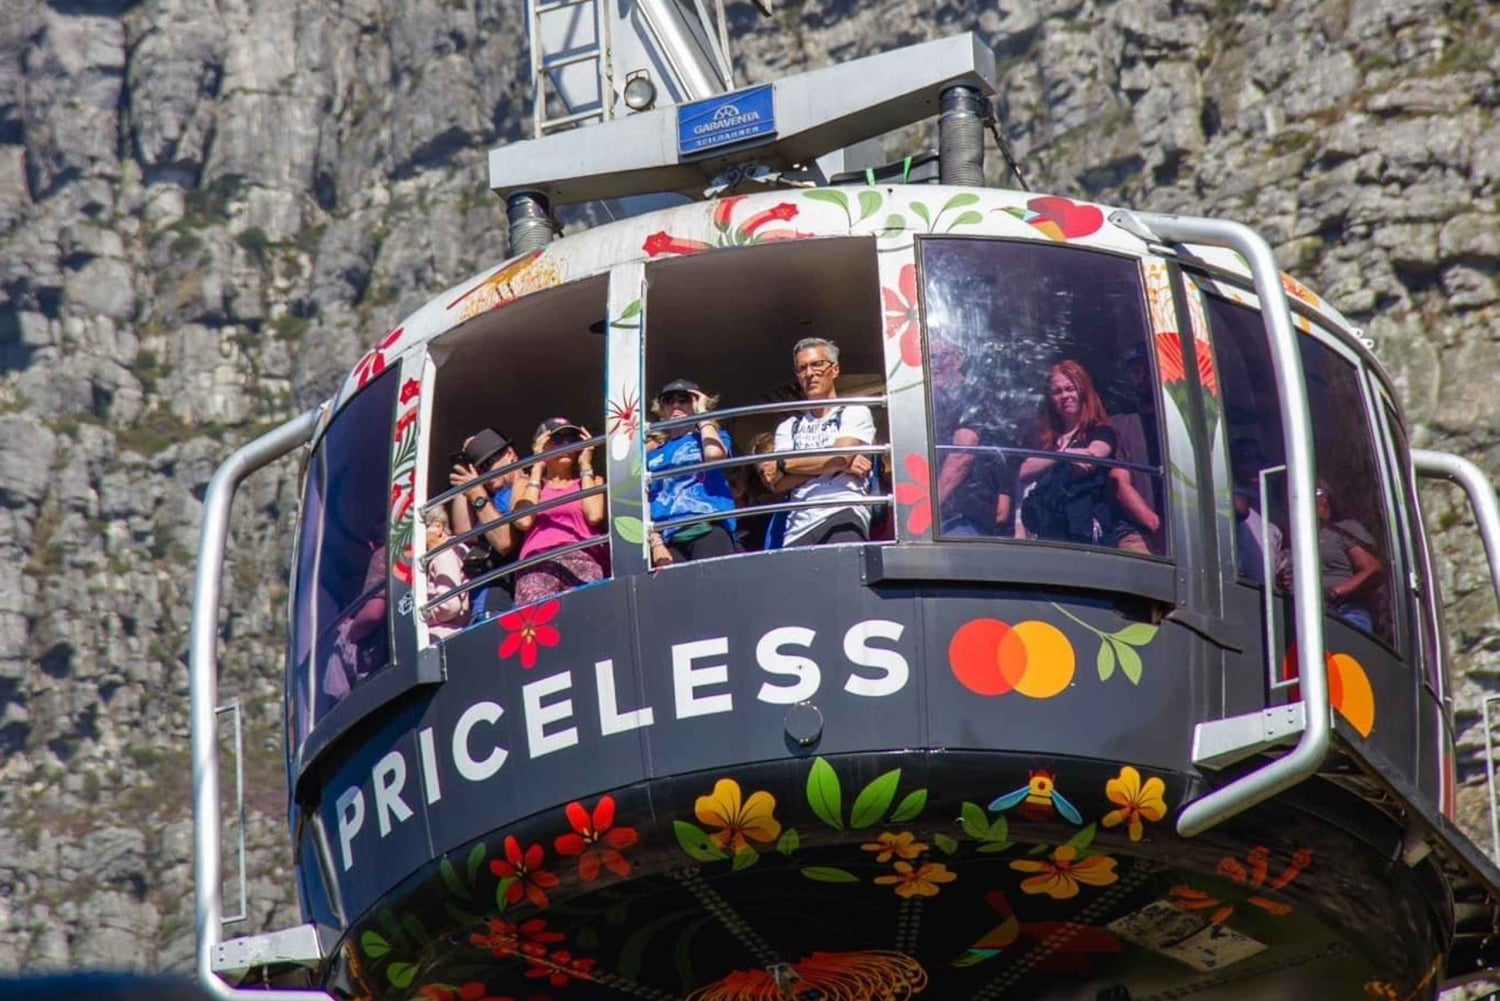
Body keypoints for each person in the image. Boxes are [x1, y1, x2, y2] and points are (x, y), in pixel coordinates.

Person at [764, 338, 878, 546]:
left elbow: (839, 458)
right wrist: (839, 463)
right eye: (802, 368)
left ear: (835, 370)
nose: (809, 373)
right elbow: (777, 482)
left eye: (817, 364)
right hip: (796, 528)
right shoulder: (788, 426)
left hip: (843, 513)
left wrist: (786, 464)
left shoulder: (854, 411)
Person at [1017, 359, 1117, 546]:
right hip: (1048, 532)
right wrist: (1064, 454)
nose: (1064, 396)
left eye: (1070, 389)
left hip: (1084, 534)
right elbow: (1025, 471)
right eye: (1057, 392)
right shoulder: (1047, 440)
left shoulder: (1100, 431)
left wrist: (1059, 457)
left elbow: (1094, 454)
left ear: (1083, 390)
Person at [511, 418, 609, 604]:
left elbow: (594, 516)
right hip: (538, 562)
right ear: (540, 446)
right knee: (539, 620)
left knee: (586, 617)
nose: (565, 445)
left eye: (571, 440)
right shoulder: (523, 483)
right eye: (556, 439)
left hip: (583, 560)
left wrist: (586, 465)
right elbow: (523, 521)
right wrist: (537, 467)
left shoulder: (593, 480)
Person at [646, 379, 738, 567]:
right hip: (670, 541)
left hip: (708, 529)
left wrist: (702, 412)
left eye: (684, 399)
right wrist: (656, 544)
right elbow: (645, 501)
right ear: (661, 409)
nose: (676, 405)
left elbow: (714, 454)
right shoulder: (652, 455)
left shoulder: (716, 437)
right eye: (668, 400)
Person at [930, 338, 1014, 537]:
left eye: (938, 357)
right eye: (929, 359)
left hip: (962, 518)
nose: (933, 365)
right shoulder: (937, 405)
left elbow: (962, 456)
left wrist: (926, 507)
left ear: (959, 359)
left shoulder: (973, 396)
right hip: (946, 519)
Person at [449, 428, 523, 620]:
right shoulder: (488, 499)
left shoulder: (524, 488)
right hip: (483, 602)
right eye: (480, 468)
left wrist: (477, 493)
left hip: (505, 600)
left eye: (489, 463)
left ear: (510, 454)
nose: (486, 473)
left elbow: (505, 542)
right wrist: (466, 479)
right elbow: (464, 532)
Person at [1107, 343, 1163, 554]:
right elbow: (1119, 483)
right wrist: (1156, 524)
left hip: (1189, 538)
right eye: (1136, 371)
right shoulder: (1120, 424)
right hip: (1137, 536)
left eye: (1149, 369)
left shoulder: (1181, 428)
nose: (1144, 376)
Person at [1311, 479, 1383, 631]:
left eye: (1320, 495)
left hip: (1344, 611)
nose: (1321, 501)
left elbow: (1372, 568)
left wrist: (1336, 591)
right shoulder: (1291, 541)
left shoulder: (1344, 530)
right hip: (1302, 614)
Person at [1229, 435, 1286, 584]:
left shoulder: (1275, 508)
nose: (1254, 464)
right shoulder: (1227, 497)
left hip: (1269, 591)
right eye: (1246, 458)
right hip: (1242, 587)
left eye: (1259, 459)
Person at [421, 507, 470, 639]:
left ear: (437, 527)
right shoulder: (455, 549)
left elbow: (449, 605)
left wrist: (421, 617)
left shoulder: (444, 553)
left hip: (443, 637)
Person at [744, 431, 788, 551]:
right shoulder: (762, 514)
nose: (768, 479)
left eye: (772, 471)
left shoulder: (803, 496)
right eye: (761, 474)